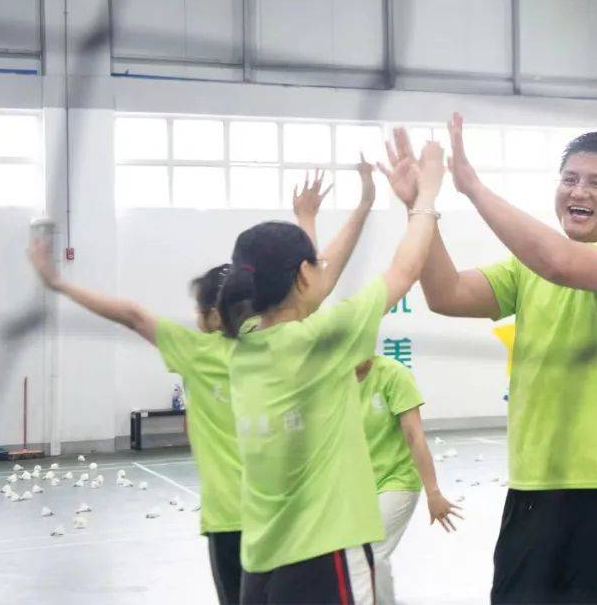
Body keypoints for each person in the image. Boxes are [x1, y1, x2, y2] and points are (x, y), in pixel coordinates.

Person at [25, 171, 363, 605]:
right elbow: (307, 290)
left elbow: (131, 314)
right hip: (288, 516)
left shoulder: (197, 354)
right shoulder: (279, 343)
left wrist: (58, 283)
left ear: (215, 315)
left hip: (231, 520)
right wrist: (311, 222)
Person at [395, 116, 597, 604]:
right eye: (570, 179)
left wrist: (474, 188)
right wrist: (421, 207)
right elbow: (446, 293)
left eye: (596, 183)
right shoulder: (525, 271)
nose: (578, 191)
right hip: (532, 490)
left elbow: (560, 263)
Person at [222, 139, 445, 605]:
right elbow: (404, 270)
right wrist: (426, 194)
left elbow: (311, 285)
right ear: (303, 274)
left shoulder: (241, 342)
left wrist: (316, 220)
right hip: (325, 553)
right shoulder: (321, 340)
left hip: (261, 558)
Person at [355, 355, 463, 604]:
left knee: (372, 550)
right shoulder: (332, 376)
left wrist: (433, 492)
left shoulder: (394, 375)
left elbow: (414, 435)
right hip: (355, 483)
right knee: (350, 556)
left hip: (396, 479)